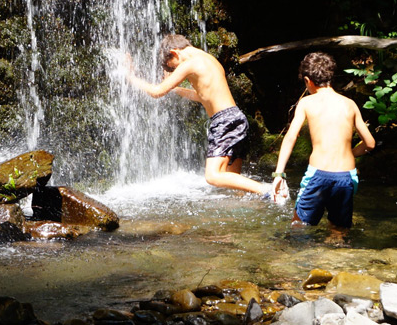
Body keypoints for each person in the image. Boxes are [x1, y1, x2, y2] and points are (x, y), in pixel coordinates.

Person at [126, 34, 282, 199]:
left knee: (213, 176)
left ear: (175, 53)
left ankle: (270, 190)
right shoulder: (210, 60)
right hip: (237, 118)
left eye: (172, 68)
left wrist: (131, 78)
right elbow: (202, 96)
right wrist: (175, 89)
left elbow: (156, 92)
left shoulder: (190, 64)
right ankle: (256, 207)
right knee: (236, 188)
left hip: (224, 121)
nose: (174, 72)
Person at [271, 52, 376, 230]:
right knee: (339, 230)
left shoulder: (306, 102)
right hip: (346, 176)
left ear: (307, 80)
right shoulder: (349, 104)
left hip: (318, 175)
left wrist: (279, 174)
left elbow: (291, 137)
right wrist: (350, 153)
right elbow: (370, 143)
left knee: (298, 227)